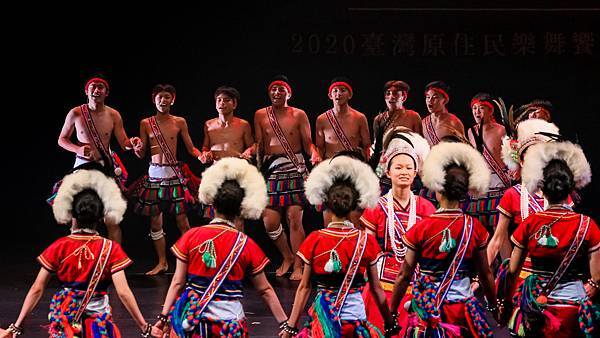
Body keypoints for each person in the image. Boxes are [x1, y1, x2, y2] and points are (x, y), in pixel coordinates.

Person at [0, 170, 150, 338]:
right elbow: (123, 292)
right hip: (98, 327)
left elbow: (37, 288)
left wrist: (16, 327)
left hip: (66, 325)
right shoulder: (111, 249)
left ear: (72, 214)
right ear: (100, 217)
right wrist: (145, 327)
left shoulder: (60, 247)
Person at [150, 158, 288, 337]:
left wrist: (163, 317)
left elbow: (177, 282)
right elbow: (265, 290)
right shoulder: (246, 244)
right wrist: (286, 324)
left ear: (212, 205)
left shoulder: (190, 236)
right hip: (229, 326)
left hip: (193, 323)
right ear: (240, 209)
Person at [280, 156, 399, 338]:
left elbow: (304, 287)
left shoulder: (315, 239)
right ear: (354, 206)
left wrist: (290, 328)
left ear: (326, 205)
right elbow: (376, 288)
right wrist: (389, 322)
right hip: (355, 323)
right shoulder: (366, 241)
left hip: (323, 324)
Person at [389, 141, 498, 337]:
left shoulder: (421, 228)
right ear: (464, 193)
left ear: (437, 189)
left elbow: (404, 275)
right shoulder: (476, 228)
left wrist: (392, 311)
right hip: (464, 312)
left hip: (429, 312)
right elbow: (485, 273)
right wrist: (493, 304)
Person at [498, 140, 598, 338]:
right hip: (573, 309)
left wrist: (507, 303)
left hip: (536, 308)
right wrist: (590, 289)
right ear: (570, 189)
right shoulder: (588, 225)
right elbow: (598, 276)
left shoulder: (530, 224)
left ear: (541, 188)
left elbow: (512, 271)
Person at [360, 127, 435, 336]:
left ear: (415, 172)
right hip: (382, 281)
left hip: (416, 280)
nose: (403, 172)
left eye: (408, 168)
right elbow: (368, 249)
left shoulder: (426, 208)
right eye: (398, 167)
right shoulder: (376, 207)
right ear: (388, 171)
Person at [53, 75, 143, 243]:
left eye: (101, 87)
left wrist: (134, 142)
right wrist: (78, 148)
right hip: (82, 168)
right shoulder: (76, 113)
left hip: (105, 169)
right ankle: (77, 263)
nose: (97, 90)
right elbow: (62, 139)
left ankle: (114, 265)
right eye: (93, 86)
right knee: (78, 218)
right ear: (86, 91)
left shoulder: (114, 114)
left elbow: (124, 143)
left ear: (106, 92)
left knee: (112, 219)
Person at [131, 84, 202, 276]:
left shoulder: (179, 122)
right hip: (154, 175)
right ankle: (162, 262)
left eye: (167, 97)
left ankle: (192, 261)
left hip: (173, 175)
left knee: (183, 222)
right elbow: (142, 152)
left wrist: (200, 156)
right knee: (155, 222)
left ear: (173, 100)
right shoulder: (146, 123)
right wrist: (136, 148)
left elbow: (190, 148)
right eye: (160, 97)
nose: (163, 100)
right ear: (154, 99)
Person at [254, 75, 321, 280]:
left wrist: (314, 153)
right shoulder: (260, 115)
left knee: (294, 219)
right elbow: (259, 145)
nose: (276, 92)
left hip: (294, 168)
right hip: (271, 169)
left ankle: (299, 266)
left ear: (288, 93)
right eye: (273, 89)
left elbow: (308, 142)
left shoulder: (299, 114)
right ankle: (288, 256)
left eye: (281, 89)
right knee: (269, 221)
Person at [487, 119, 568, 264]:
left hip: (558, 270)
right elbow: (497, 239)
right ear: (522, 162)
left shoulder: (560, 191)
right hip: (525, 273)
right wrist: (480, 277)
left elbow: (569, 233)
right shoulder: (513, 194)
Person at [315, 77, 371, 226]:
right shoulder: (322, 119)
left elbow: (367, 146)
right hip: (331, 170)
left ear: (350, 94)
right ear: (330, 95)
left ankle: (356, 248)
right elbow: (319, 148)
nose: (338, 94)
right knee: (328, 215)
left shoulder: (359, 118)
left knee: (355, 215)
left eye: (342, 90)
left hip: (352, 171)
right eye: (335, 91)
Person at [199, 86, 255, 224]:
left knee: (238, 217)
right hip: (216, 172)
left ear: (234, 103)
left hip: (236, 173)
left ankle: (237, 245)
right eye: (218, 100)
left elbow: (254, 145)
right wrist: (206, 154)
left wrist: (249, 151)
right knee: (216, 217)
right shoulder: (209, 124)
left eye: (226, 100)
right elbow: (205, 147)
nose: (221, 103)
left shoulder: (243, 125)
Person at [466, 93, 510, 232]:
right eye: (474, 108)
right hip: (479, 185)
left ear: (490, 110)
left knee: (498, 230)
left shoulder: (501, 130)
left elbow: (512, 154)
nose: (477, 112)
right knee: (479, 230)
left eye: (481, 108)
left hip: (498, 184)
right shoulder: (471, 131)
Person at [370, 80, 423, 177]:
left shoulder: (413, 116)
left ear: (404, 97)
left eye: (395, 93)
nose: (391, 96)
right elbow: (377, 148)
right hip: (384, 166)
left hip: (406, 165)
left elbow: (420, 147)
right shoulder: (379, 119)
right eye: (388, 93)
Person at [421, 81, 465, 147]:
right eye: (428, 97)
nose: (430, 100)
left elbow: (464, 149)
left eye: (435, 97)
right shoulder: (423, 123)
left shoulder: (454, 122)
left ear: (444, 100)